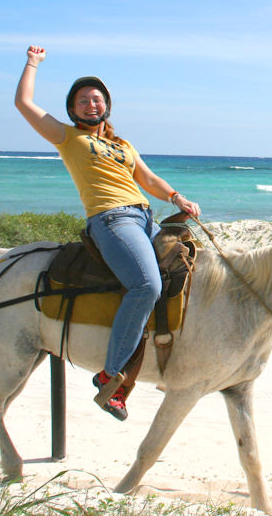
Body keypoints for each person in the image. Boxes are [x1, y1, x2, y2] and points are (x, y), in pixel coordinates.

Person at [15, 45, 200, 421]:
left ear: (107, 106)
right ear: (72, 109)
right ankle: (109, 374)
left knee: (190, 271)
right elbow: (24, 103)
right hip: (113, 220)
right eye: (83, 100)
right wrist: (33, 63)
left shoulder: (123, 145)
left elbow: (147, 179)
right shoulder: (68, 138)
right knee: (145, 286)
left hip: (146, 217)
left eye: (97, 99)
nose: (91, 104)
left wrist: (177, 197)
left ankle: (171, 357)